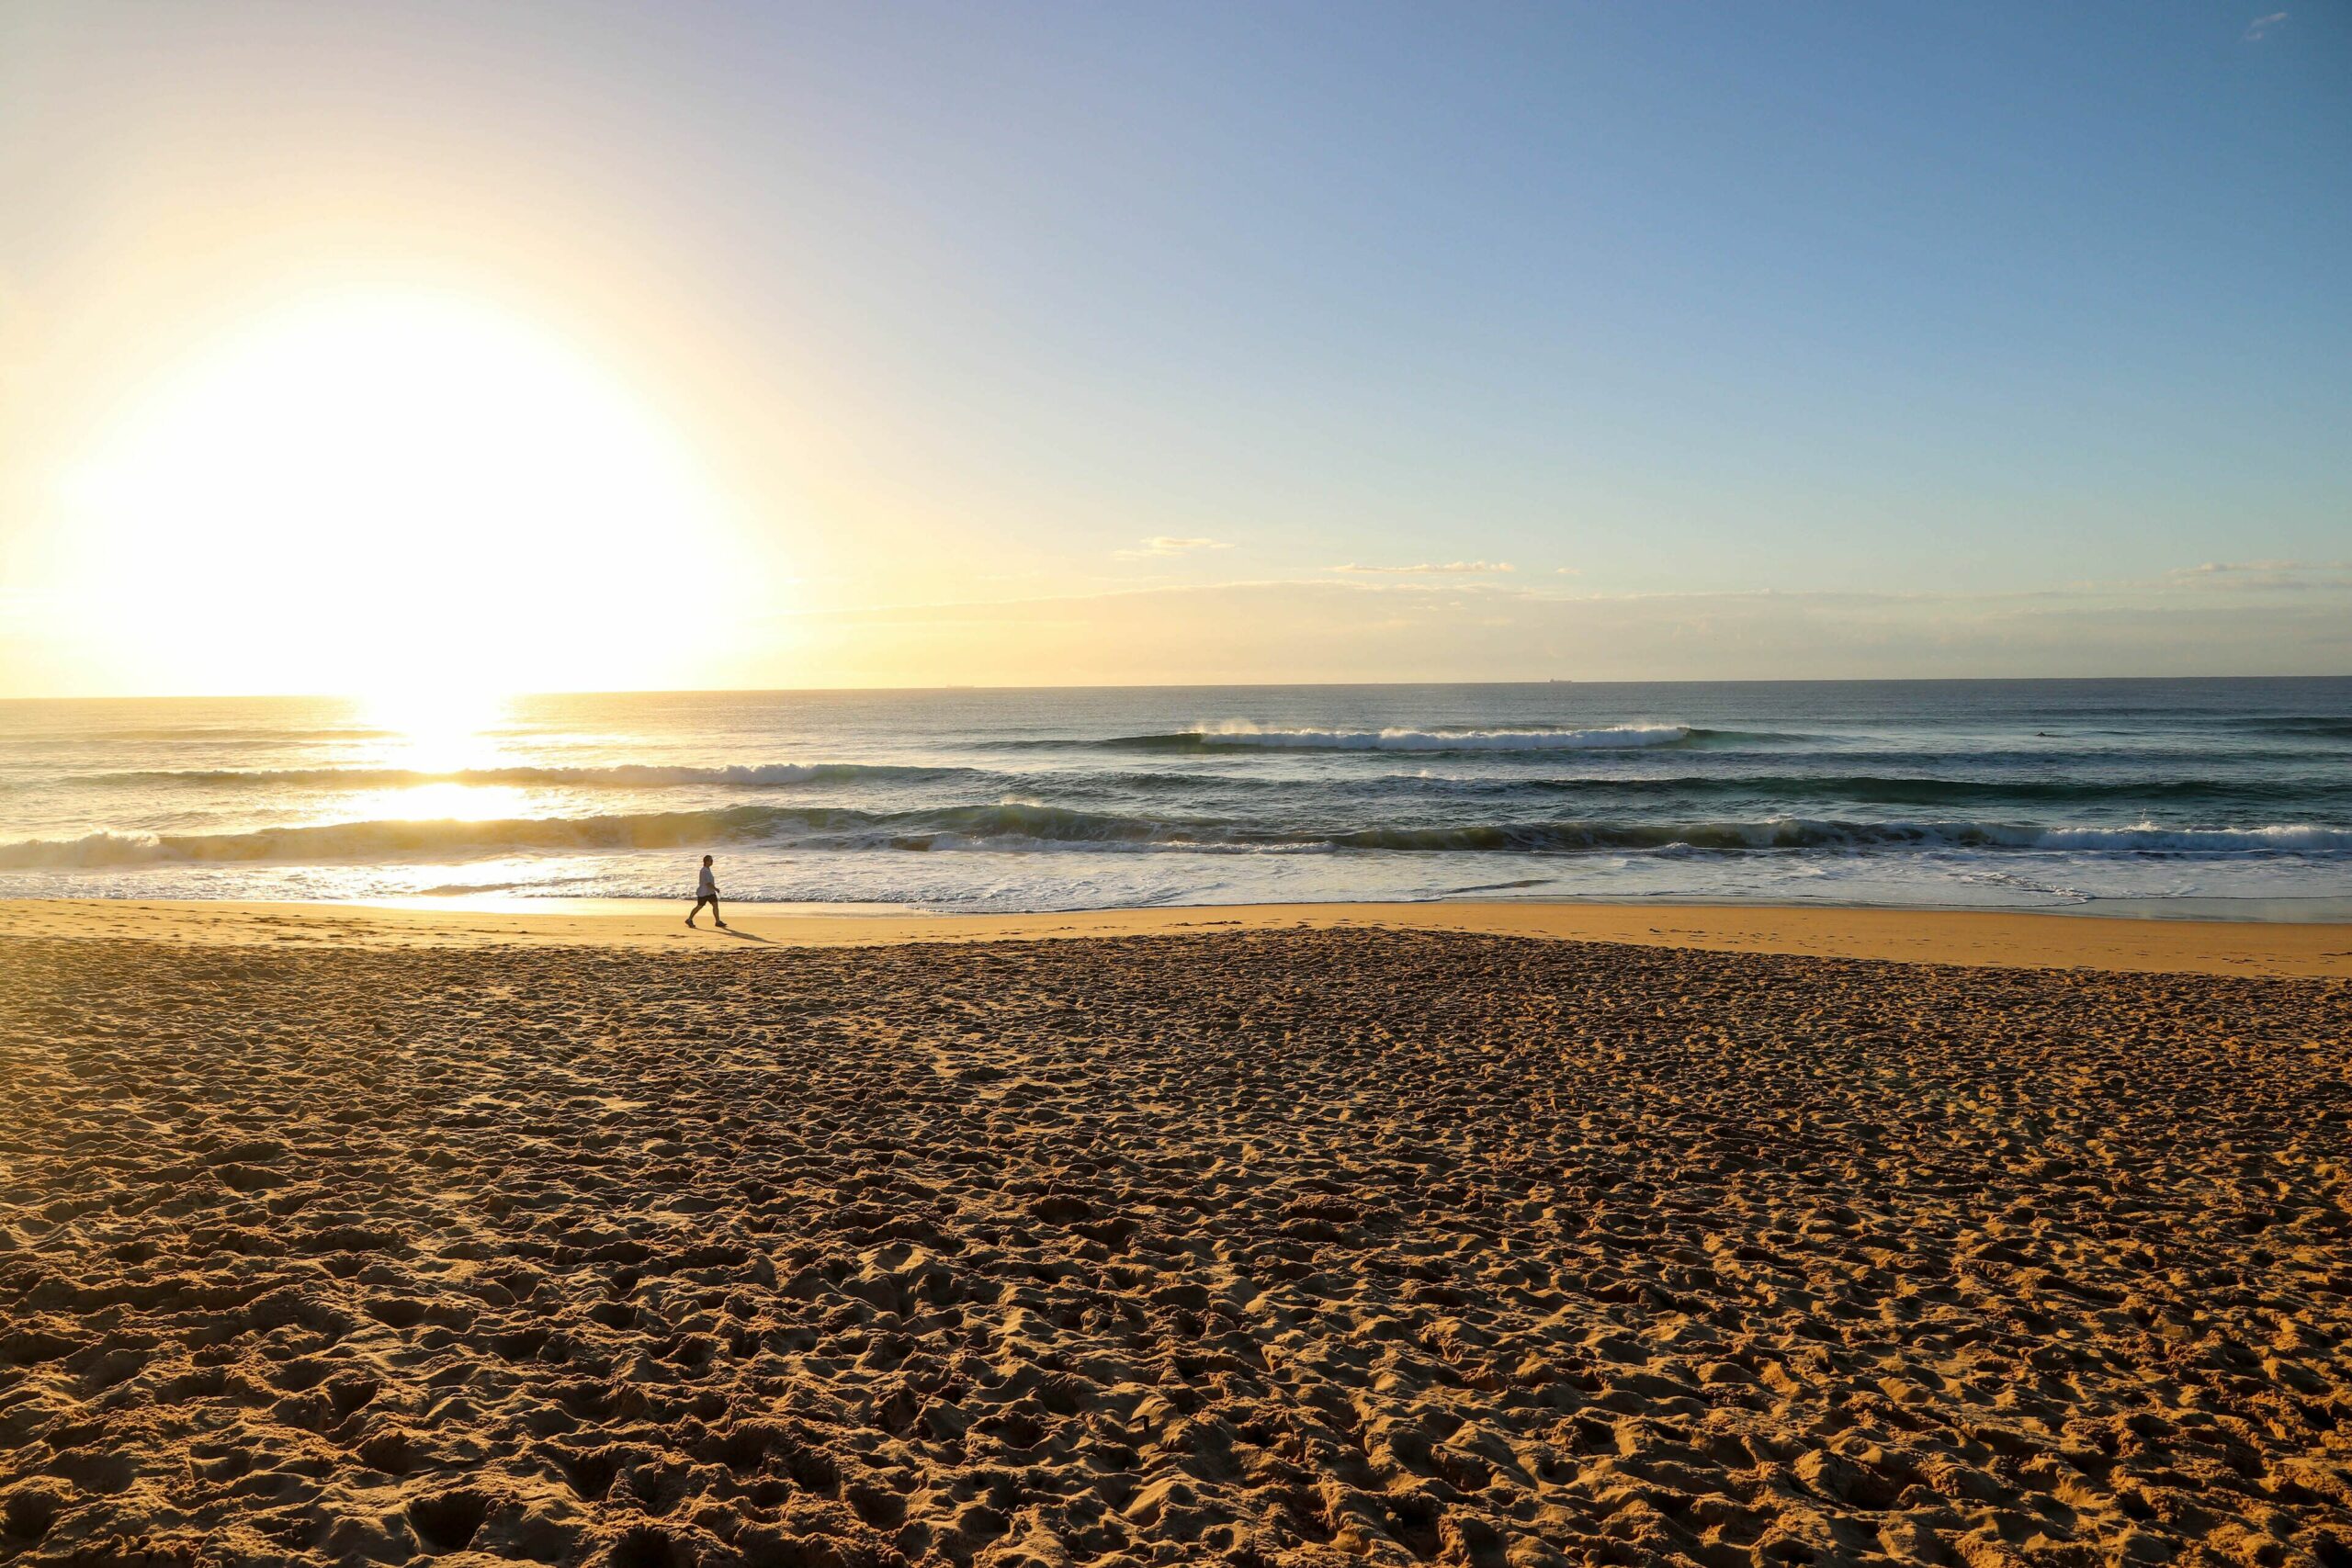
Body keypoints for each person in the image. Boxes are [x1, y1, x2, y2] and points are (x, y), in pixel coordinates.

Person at [686, 854, 727, 929]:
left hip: (710, 892)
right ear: (706, 862)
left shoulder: (707, 869)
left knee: (715, 905)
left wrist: (713, 889)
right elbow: (708, 883)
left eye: (712, 860)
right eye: (711, 860)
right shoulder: (704, 870)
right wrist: (716, 888)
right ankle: (689, 919)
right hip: (704, 893)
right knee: (699, 906)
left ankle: (717, 921)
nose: (712, 862)